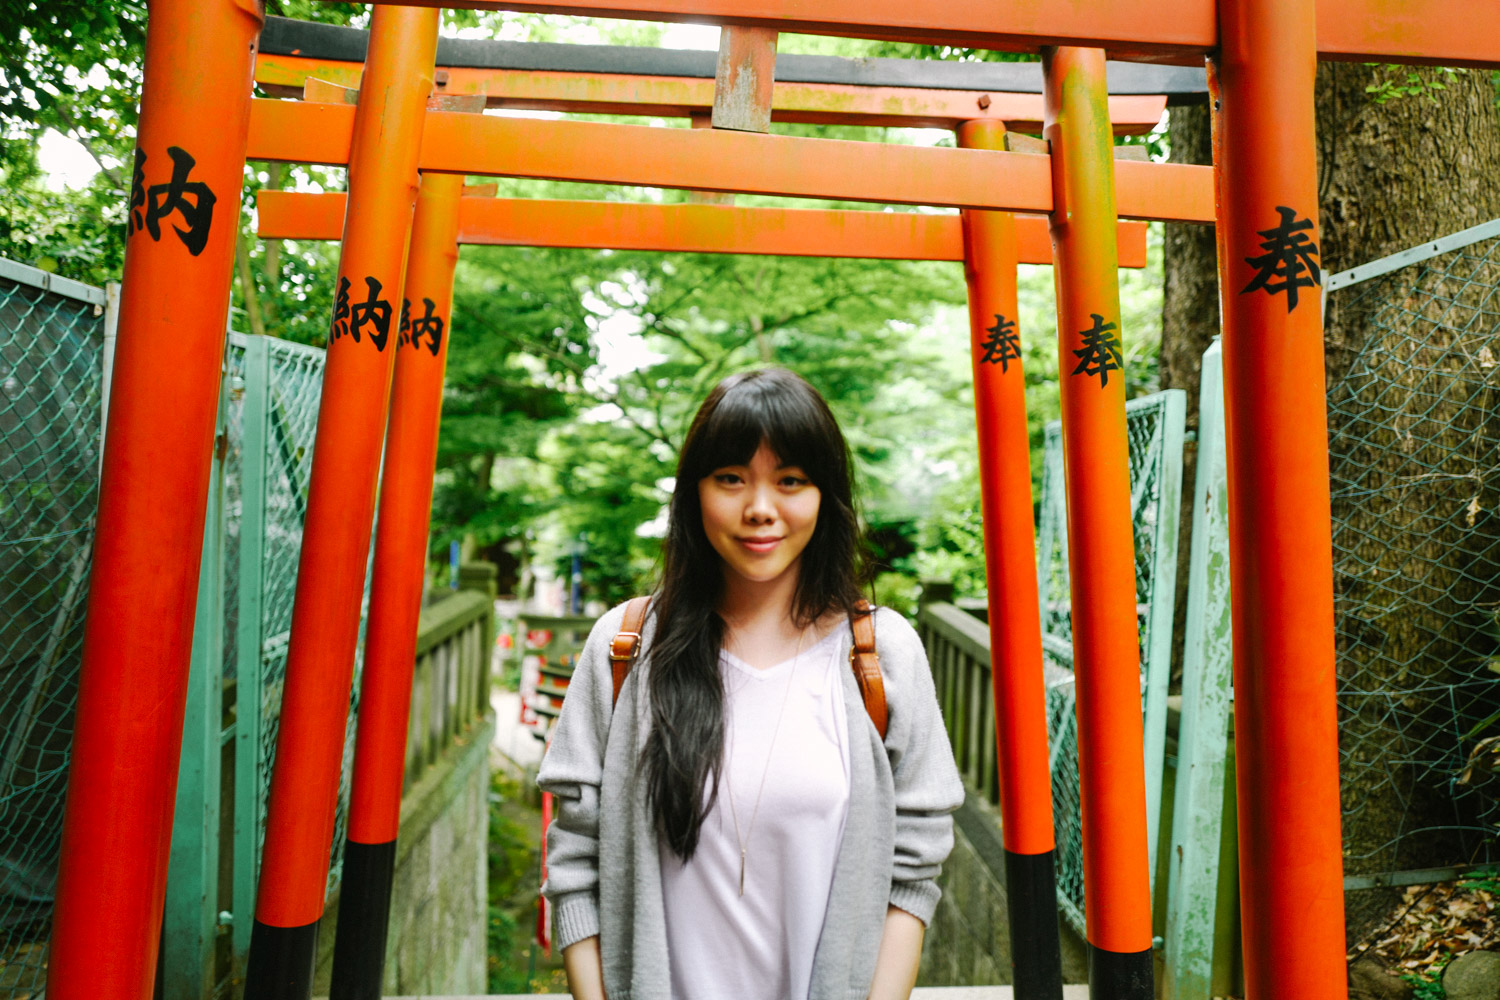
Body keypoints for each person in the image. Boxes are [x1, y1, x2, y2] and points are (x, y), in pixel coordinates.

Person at [538, 368, 964, 1000]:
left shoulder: (881, 654)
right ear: (694, 493)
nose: (760, 508)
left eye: (790, 481)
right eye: (731, 478)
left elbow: (913, 869)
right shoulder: (625, 647)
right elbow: (575, 864)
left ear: (825, 497)